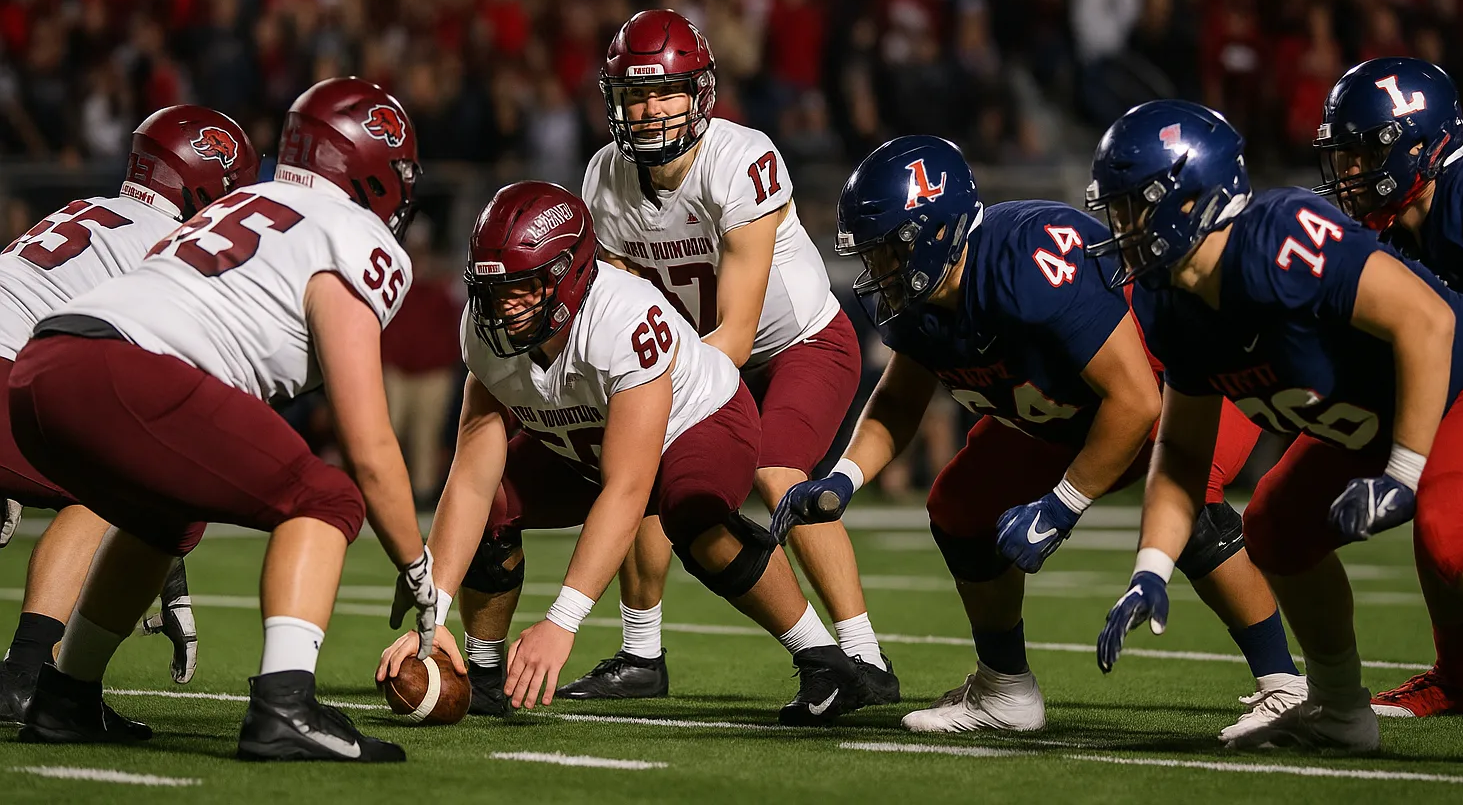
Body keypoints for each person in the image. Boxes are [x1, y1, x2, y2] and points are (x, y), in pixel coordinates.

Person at [772, 134, 1303, 738]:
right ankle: (1005, 689)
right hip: (1067, 411)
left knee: (1185, 502)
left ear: (937, 232)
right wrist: (844, 478)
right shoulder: (924, 298)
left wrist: (1062, 505)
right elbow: (898, 399)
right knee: (959, 505)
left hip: (1171, 381)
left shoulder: (1027, 260)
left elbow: (1134, 400)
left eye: (889, 251)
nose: (878, 271)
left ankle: (1284, 686)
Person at [8, 77, 443, 762]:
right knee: (325, 497)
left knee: (168, 513)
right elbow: (366, 442)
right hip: (130, 372)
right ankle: (285, 705)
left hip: (43, 365)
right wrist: (422, 576)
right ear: (378, 169)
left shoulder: (241, 201)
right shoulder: (356, 233)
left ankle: (65, 697)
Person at [1086, 99, 1463, 751]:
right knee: (1275, 525)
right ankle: (1339, 708)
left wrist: (1404, 475)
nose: (1119, 226)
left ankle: (1454, 677)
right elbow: (1182, 450)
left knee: (1453, 528)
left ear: (1190, 200)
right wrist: (1150, 568)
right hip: (1381, 411)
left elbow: (1426, 322)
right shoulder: (1168, 301)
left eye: (1132, 207)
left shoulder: (1278, 238)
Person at [375, 181, 870, 726]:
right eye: (493, 290)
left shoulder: (622, 319)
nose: (504, 306)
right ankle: (484, 673)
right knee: (493, 499)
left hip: (700, 421)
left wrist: (562, 621)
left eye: (525, 286)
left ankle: (824, 658)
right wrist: (433, 608)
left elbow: (629, 488)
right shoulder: (483, 330)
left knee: (692, 511)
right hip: (589, 437)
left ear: (568, 276)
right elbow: (471, 477)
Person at [559, 7, 892, 703]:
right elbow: (621, 311)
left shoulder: (741, 158)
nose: (650, 110)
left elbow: (737, 335)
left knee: (777, 475)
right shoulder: (604, 176)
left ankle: (864, 656)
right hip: (696, 357)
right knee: (635, 458)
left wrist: (662, 400)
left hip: (798, 344)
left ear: (700, 94)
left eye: (666, 92)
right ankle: (640, 652)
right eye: (636, 94)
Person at [0, 106, 259, 721]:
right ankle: (30, 674)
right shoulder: (168, 248)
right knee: (111, 488)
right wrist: (159, 558)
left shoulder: (83, 211)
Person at [1314, 56, 1463, 718]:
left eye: (1360, 156)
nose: (1347, 174)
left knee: (1452, 510)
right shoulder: (1384, 233)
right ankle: (1459, 677)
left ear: (1417, 145)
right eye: (1341, 157)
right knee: (1430, 472)